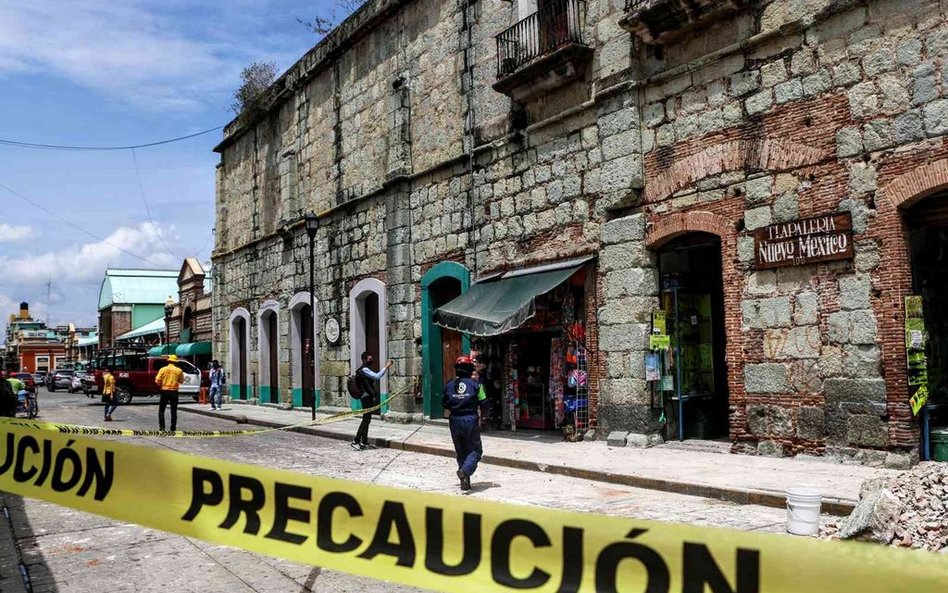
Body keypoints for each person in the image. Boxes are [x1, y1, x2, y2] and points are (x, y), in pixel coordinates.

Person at [442, 355, 490, 491]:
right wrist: (486, 416)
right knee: (476, 450)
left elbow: (444, 403)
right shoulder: (476, 385)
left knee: (461, 451)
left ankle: (464, 478)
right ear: (470, 370)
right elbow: (484, 402)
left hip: (454, 420)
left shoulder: (449, 385)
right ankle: (466, 471)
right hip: (470, 419)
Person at [352, 351, 393, 450]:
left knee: (367, 419)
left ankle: (364, 442)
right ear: (364, 360)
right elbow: (377, 376)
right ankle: (356, 440)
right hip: (366, 398)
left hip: (367, 397)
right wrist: (386, 366)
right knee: (366, 419)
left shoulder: (364, 369)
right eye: (370, 359)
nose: (372, 361)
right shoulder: (364, 369)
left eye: (372, 359)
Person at [155, 355, 185, 432]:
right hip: (174, 392)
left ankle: (162, 428)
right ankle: (173, 428)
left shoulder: (163, 369)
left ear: (169, 361)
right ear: (175, 362)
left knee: (161, 410)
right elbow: (181, 381)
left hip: (164, 391)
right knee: (173, 411)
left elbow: (157, 380)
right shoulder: (179, 370)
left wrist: (161, 385)